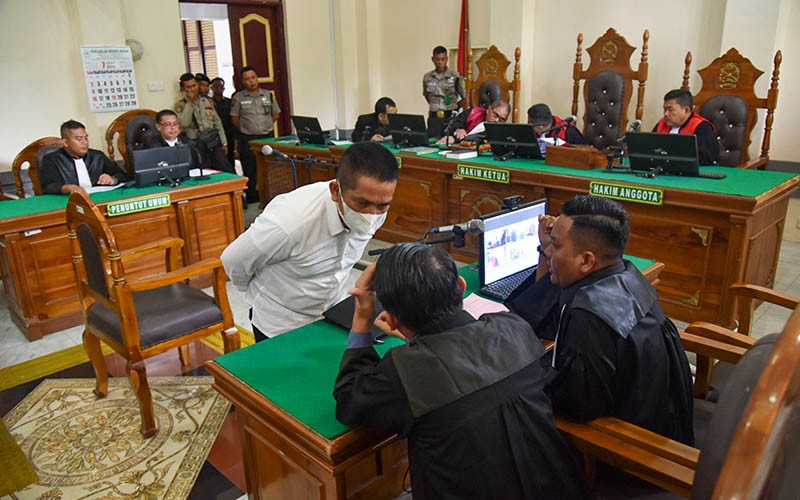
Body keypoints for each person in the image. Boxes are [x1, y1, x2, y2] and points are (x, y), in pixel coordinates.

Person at [334, 242, 584, 500]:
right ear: (462, 287)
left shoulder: (404, 371)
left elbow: (349, 401)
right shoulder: (515, 326)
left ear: (393, 319)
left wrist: (363, 317)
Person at [505, 195, 694, 446]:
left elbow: (576, 409)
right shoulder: (625, 274)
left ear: (586, 260)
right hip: (666, 419)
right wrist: (546, 249)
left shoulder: (589, 319)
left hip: (630, 454)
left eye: (556, 246)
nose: (547, 252)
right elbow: (541, 316)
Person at [221, 142, 398, 341]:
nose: (372, 215)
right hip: (281, 325)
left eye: (382, 206)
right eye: (363, 203)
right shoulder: (289, 223)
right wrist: (261, 294)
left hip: (332, 314)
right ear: (335, 190)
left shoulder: (375, 205)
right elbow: (233, 261)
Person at [231, 65, 281, 204]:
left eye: (253, 77)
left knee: (269, 167)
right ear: (243, 81)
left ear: (257, 78)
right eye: (247, 79)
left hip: (267, 137)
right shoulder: (238, 98)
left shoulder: (268, 95)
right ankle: (252, 198)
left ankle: (270, 195)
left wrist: (266, 126)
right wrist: (248, 128)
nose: (251, 81)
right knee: (250, 168)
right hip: (248, 138)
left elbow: (275, 114)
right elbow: (235, 118)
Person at [39, 120, 127, 195]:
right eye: (79, 139)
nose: (85, 142)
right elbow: (49, 186)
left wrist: (112, 179)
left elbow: (122, 175)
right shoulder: (52, 159)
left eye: (86, 138)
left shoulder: (97, 156)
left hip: (99, 198)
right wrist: (68, 188)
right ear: (65, 142)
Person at [175, 73, 233, 172]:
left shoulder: (206, 101)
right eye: (189, 87)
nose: (193, 89)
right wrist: (190, 103)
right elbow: (184, 123)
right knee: (203, 171)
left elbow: (217, 122)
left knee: (226, 169)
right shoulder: (181, 105)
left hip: (212, 142)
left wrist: (224, 143)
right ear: (183, 89)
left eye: (194, 85)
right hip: (196, 144)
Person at [653, 89, 719, 165]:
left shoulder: (701, 127)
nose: (666, 114)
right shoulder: (662, 124)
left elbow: (707, 158)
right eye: (665, 109)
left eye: (670, 110)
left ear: (686, 110)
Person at [423, 46, 466, 138]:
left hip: (450, 117)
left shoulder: (455, 76)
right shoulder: (427, 77)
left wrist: (455, 108)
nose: (440, 62)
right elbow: (427, 96)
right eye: (438, 59)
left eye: (443, 59)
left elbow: (464, 97)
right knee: (433, 142)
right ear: (433, 59)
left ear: (447, 59)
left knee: (449, 143)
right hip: (434, 118)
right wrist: (436, 106)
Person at [441, 98, 509, 142]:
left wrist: (454, 140)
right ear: (488, 109)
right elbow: (455, 124)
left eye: (502, 119)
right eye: (495, 115)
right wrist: (458, 129)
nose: (497, 120)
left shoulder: (501, 130)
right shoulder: (473, 112)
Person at [210, 77, 236, 169]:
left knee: (230, 158)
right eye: (215, 86)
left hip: (228, 134)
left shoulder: (229, 102)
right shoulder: (208, 103)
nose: (218, 88)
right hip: (215, 135)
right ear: (211, 88)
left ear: (224, 88)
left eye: (220, 86)